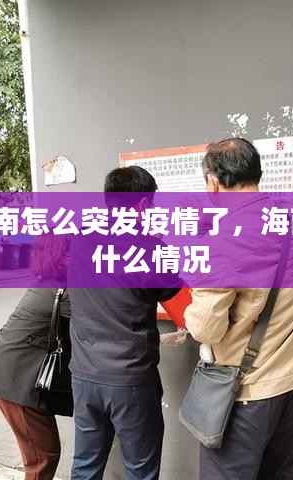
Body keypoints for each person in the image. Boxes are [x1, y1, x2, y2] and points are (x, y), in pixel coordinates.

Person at [184, 138, 293, 480]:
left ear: (213, 182)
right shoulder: (290, 220)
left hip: (246, 395)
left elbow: (205, 328)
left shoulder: (221, 240)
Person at [68, 166, 180, 480]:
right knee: (140, 470)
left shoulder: (80, 239)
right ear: (143, 205)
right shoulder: (150, 248)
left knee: (85, 466)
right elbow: (184, 306)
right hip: (130, 381)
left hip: (85, 376)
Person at [0, 234, 71, 480]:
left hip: (12, 372)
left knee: (43, 453)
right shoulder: (63, 288)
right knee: (43, 456)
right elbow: (104, 319)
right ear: (65, 254)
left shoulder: (51, 281)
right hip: (15, 381)